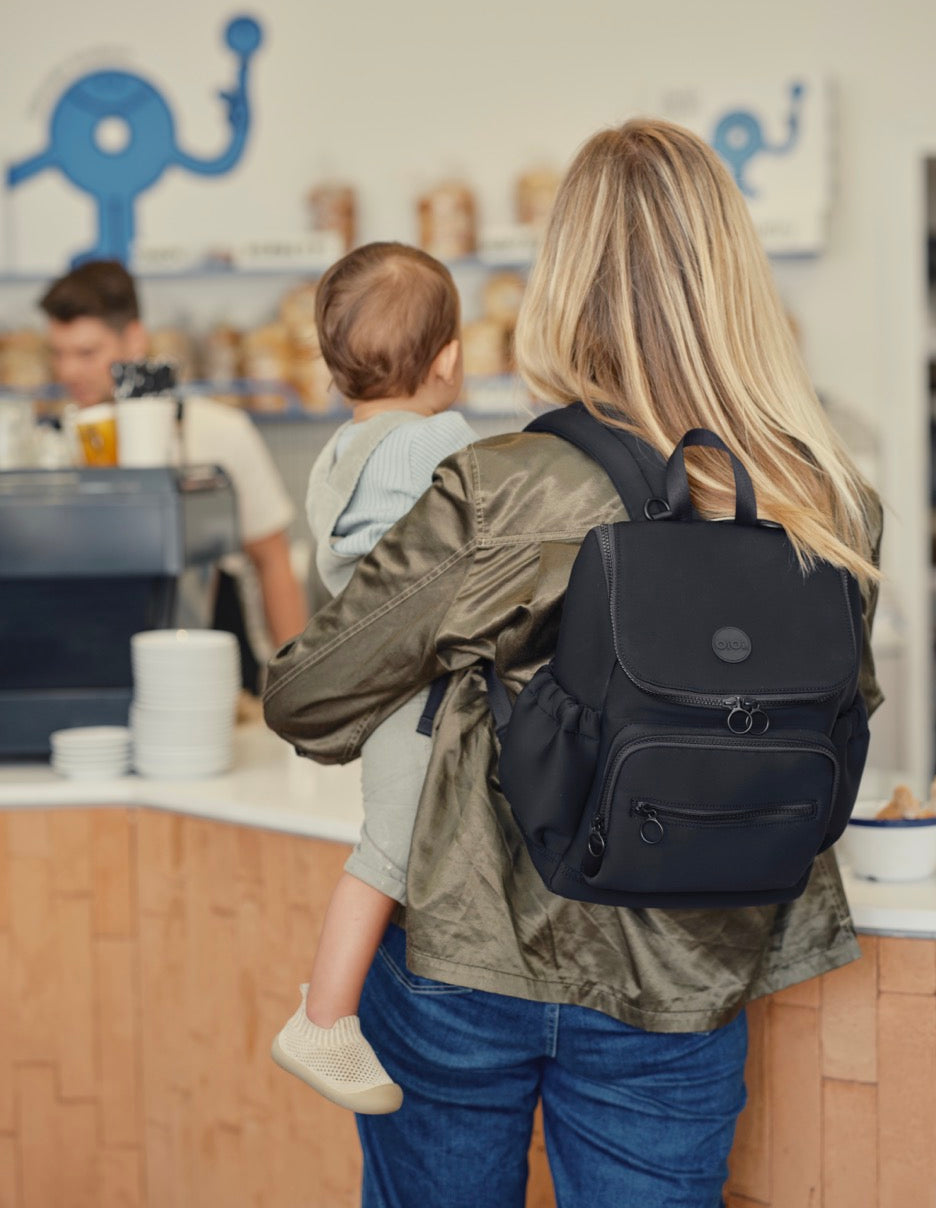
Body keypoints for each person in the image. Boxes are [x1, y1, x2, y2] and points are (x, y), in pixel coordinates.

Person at [263, 120, 886, 1208]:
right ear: (733, 277)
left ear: (561, 283)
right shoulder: (828, 501)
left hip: (471, 954)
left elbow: (309, 699)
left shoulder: (500, 487)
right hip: (690, 968)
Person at [270, 242, 477, 1112]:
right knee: (389, 848)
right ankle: (324, 1016)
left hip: (378, 682)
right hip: (415, 695)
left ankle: (330, 1006)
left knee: (393, 835)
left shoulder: (337, 455)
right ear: (451, 360)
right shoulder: (440, 441)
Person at [40, 260, 307, 667]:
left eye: (87, 353)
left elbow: (273, 562)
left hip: (214, 673)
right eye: (58, 354)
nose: (69, 371)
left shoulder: (218, 432)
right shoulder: (50, 445)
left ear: (134, 340)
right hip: (96, 660)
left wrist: (298, 682)